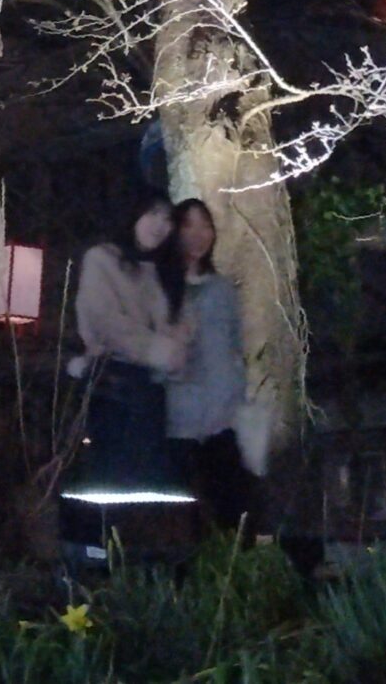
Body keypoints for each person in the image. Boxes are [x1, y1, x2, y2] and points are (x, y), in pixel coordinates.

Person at [64, 194, 195, 528]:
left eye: (167, 219)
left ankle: (139, 553)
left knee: (150, 493)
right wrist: (160, 350)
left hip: (155, 392)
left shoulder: (165, 269)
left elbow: (181, 325)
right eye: (152, 214)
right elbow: (105, 322)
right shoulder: (102, 259)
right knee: (112, 486)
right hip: (114, 387)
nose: (160, 225)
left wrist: (174, 350)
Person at [165, 197, 257, 540]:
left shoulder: (223, 289)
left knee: (233, 512)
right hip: (180, 421)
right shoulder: (162, 289)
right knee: (187, 520)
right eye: (188, 225)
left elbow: (235, 346)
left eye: (205, 225)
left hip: (223, 419)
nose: (198, 234)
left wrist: (237, 395)